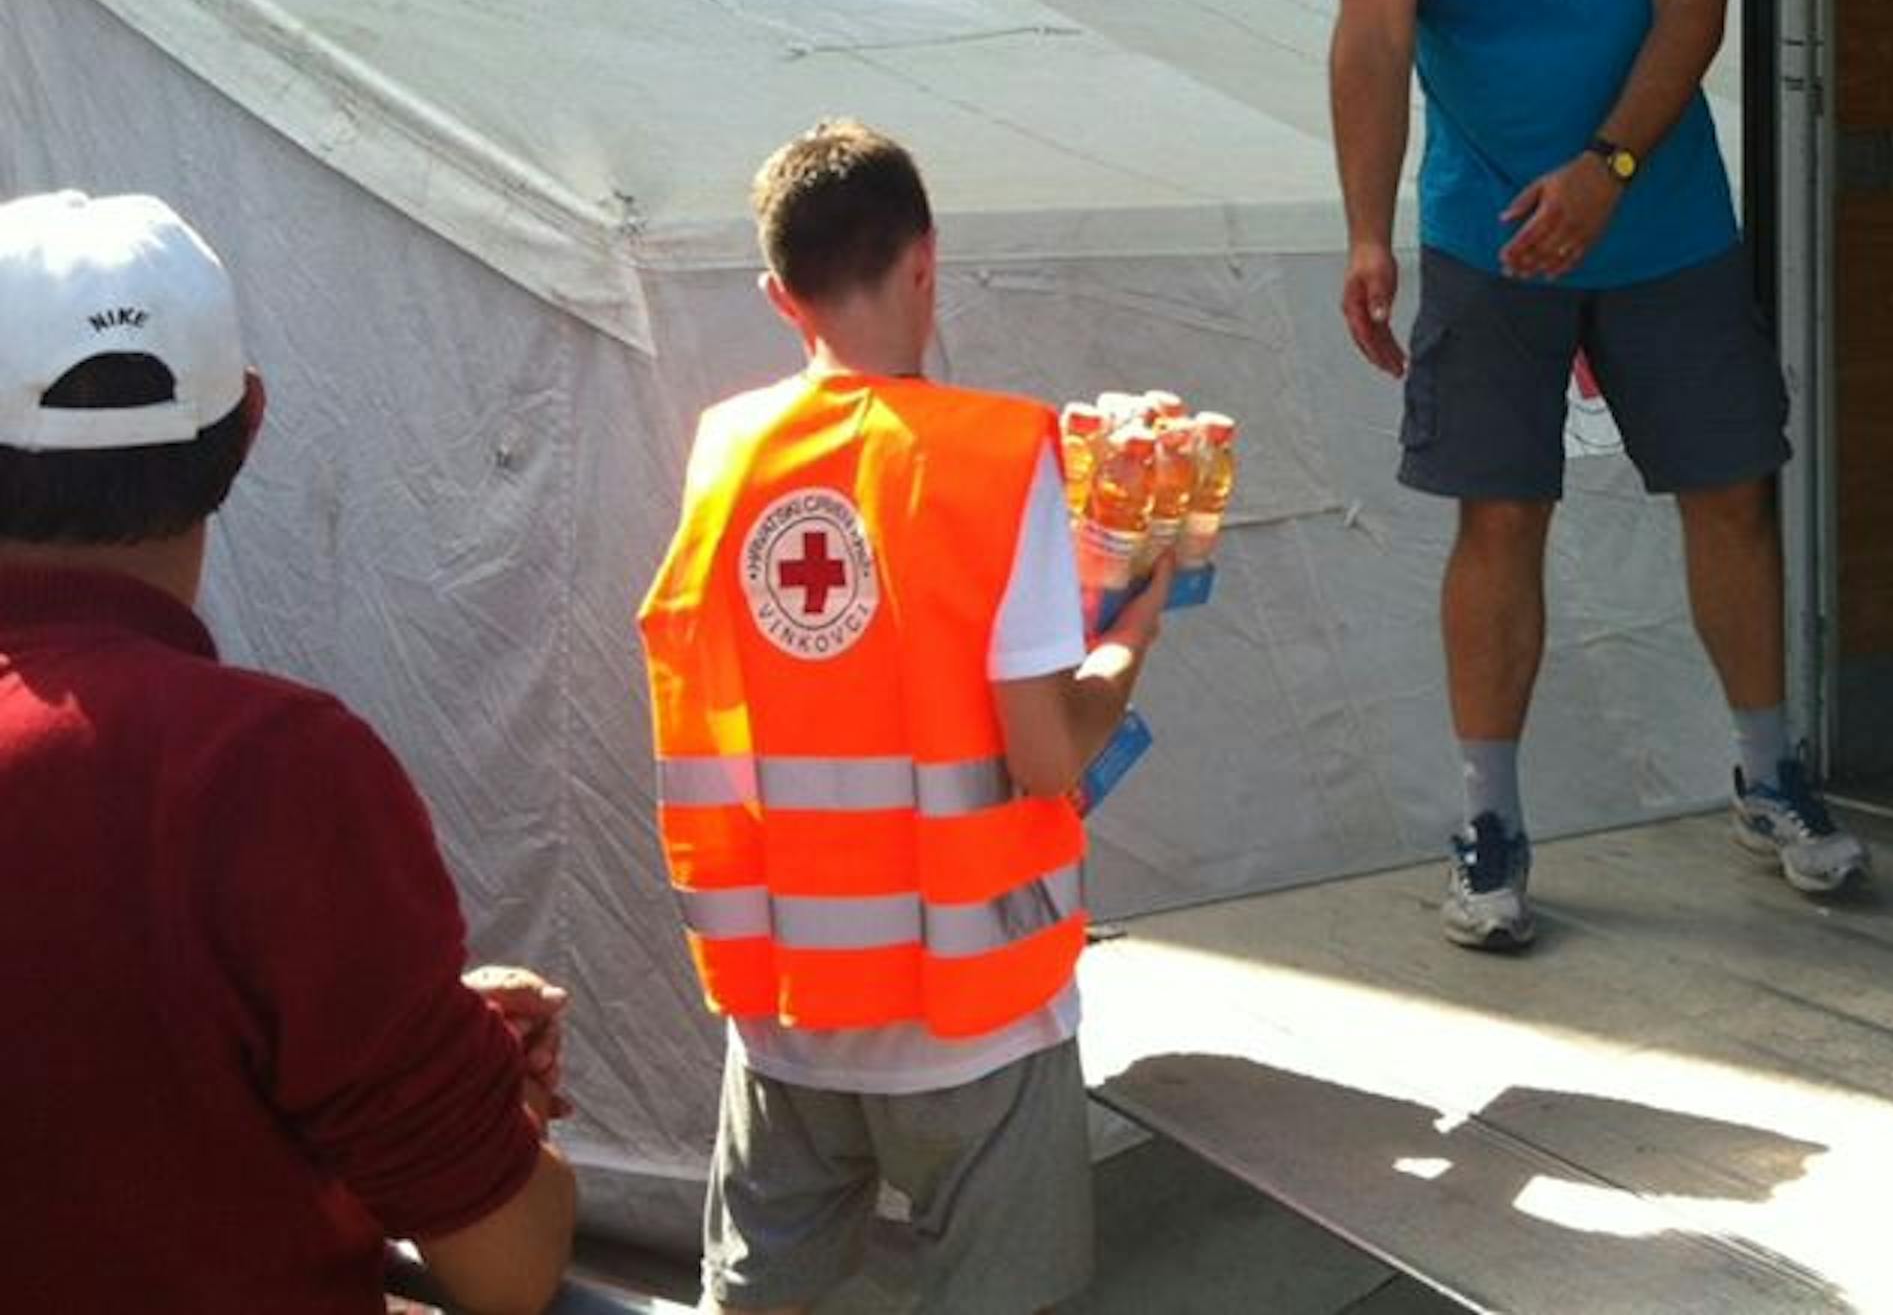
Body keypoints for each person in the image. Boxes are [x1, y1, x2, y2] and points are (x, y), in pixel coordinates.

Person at [1311, 0, 1867, 955]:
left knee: (1732, 489)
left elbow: (1697, 5)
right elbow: (1370, 39)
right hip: (1487, 237)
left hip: (1663, 221)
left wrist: (1609, 166)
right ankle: (1488, 822)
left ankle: (1769, 771)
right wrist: (1368, 233)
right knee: (1502, 516)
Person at [0, 188, 576, 1314]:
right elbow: (506, 1266)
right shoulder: (276, 778)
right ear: (248, 425)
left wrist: (412, 1031)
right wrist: (478, 1096)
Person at [636, 120, 1169, 1315]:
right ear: (928, 260)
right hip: (974, 1018)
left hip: (785, 1010)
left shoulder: (724, 450)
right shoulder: (996, 457)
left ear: (781, 296)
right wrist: (1130, 639)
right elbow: (1043, 755)